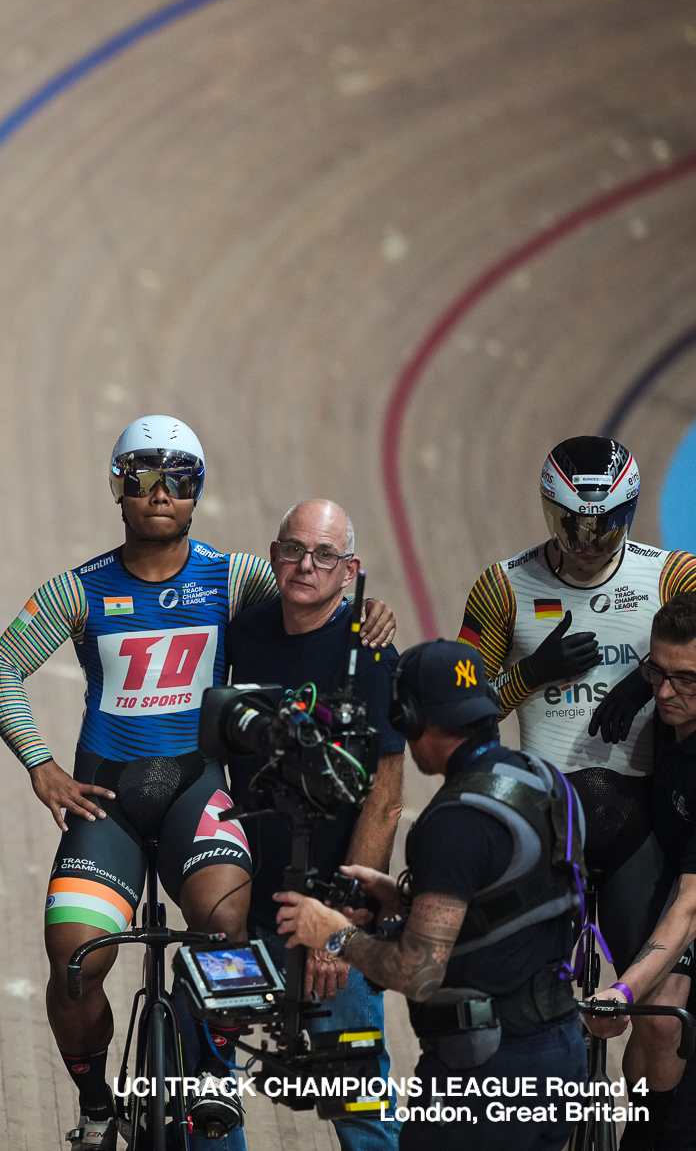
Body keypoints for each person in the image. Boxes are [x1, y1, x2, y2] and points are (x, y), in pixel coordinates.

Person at [0, 415, 396, 1144]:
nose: (159, 493)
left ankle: (210, 1074)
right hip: (105, 799)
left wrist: (372, 615)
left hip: (196, 794)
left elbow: (322, 587)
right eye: (141, 477)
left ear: (196, 490)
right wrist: (40, 766)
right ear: (118, 488)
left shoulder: (234, 576)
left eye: (177, 478)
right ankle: (95, 1099)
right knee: (74, 957)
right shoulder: (81, 588)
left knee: (223, 921)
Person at [278, 639, 587, 1151]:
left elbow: (416, 973)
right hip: (559, 1055)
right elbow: (518, 894)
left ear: (411, 715)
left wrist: (336, 934)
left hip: (484, 1079)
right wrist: (405, 899)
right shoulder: (543, 780)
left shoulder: (453, 821)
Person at [187, 499, 404, 1151]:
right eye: (293, 549)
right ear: (274, 552)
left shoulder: (371, 652)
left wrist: (336, 921)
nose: (306, 565)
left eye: (325, 555)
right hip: (249, 908)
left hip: (333, 923)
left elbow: (386, 798)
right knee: (208, 1085)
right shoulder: (246, 630)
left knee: (360, 1099)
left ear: (350, 570)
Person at [457, 437, 696, 997]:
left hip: (642, 821)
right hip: (543, 819)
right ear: (548, 510)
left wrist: (642, 680)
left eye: (605, 528)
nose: (588, 546)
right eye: (573, 528)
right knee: (520, 996)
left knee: (659, 1002)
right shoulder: (502, 588)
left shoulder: (673, 577)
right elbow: (458, 709)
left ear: (630, 514)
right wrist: (528, 674)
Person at [582, 591, 696, 1143]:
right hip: (681, 876)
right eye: (658, 671)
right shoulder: (667, 708)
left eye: (687, 679)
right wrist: (637, 679)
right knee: (654, 1029)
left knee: (664, 1010)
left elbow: (691, 907)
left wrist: (623, 991)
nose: (666, 692)